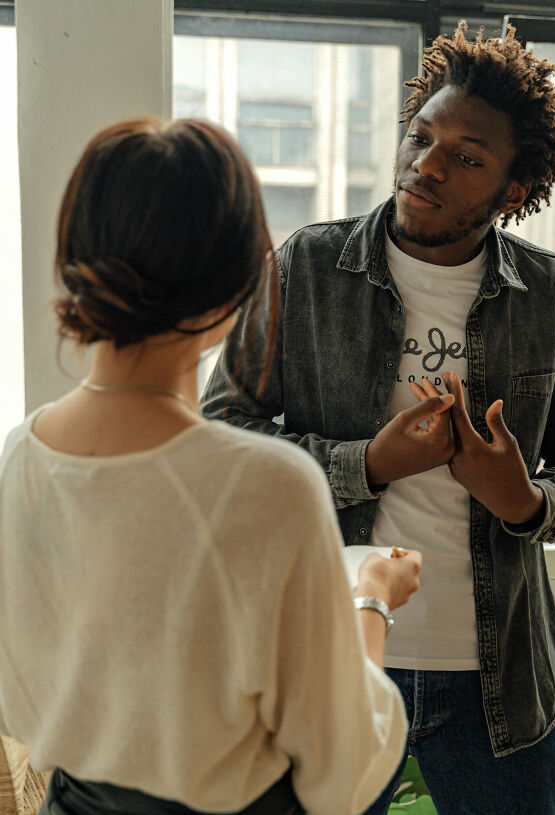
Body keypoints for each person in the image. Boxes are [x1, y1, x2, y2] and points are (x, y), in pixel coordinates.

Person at [202, 22, 555, 815]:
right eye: (421, 137)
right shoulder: (307, 268)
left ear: (514, 190)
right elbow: (223, 436)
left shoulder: (553, 295)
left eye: (467, 157)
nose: (426, 164)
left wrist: (524, 498)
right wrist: (369, 463)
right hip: (336, 656)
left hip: (501, 682)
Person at [0, 118, 428, 815]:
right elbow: (342, 773)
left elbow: (25, 705)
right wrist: (372, 596)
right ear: (238, 281)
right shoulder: (266, 483)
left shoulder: (20, 456)